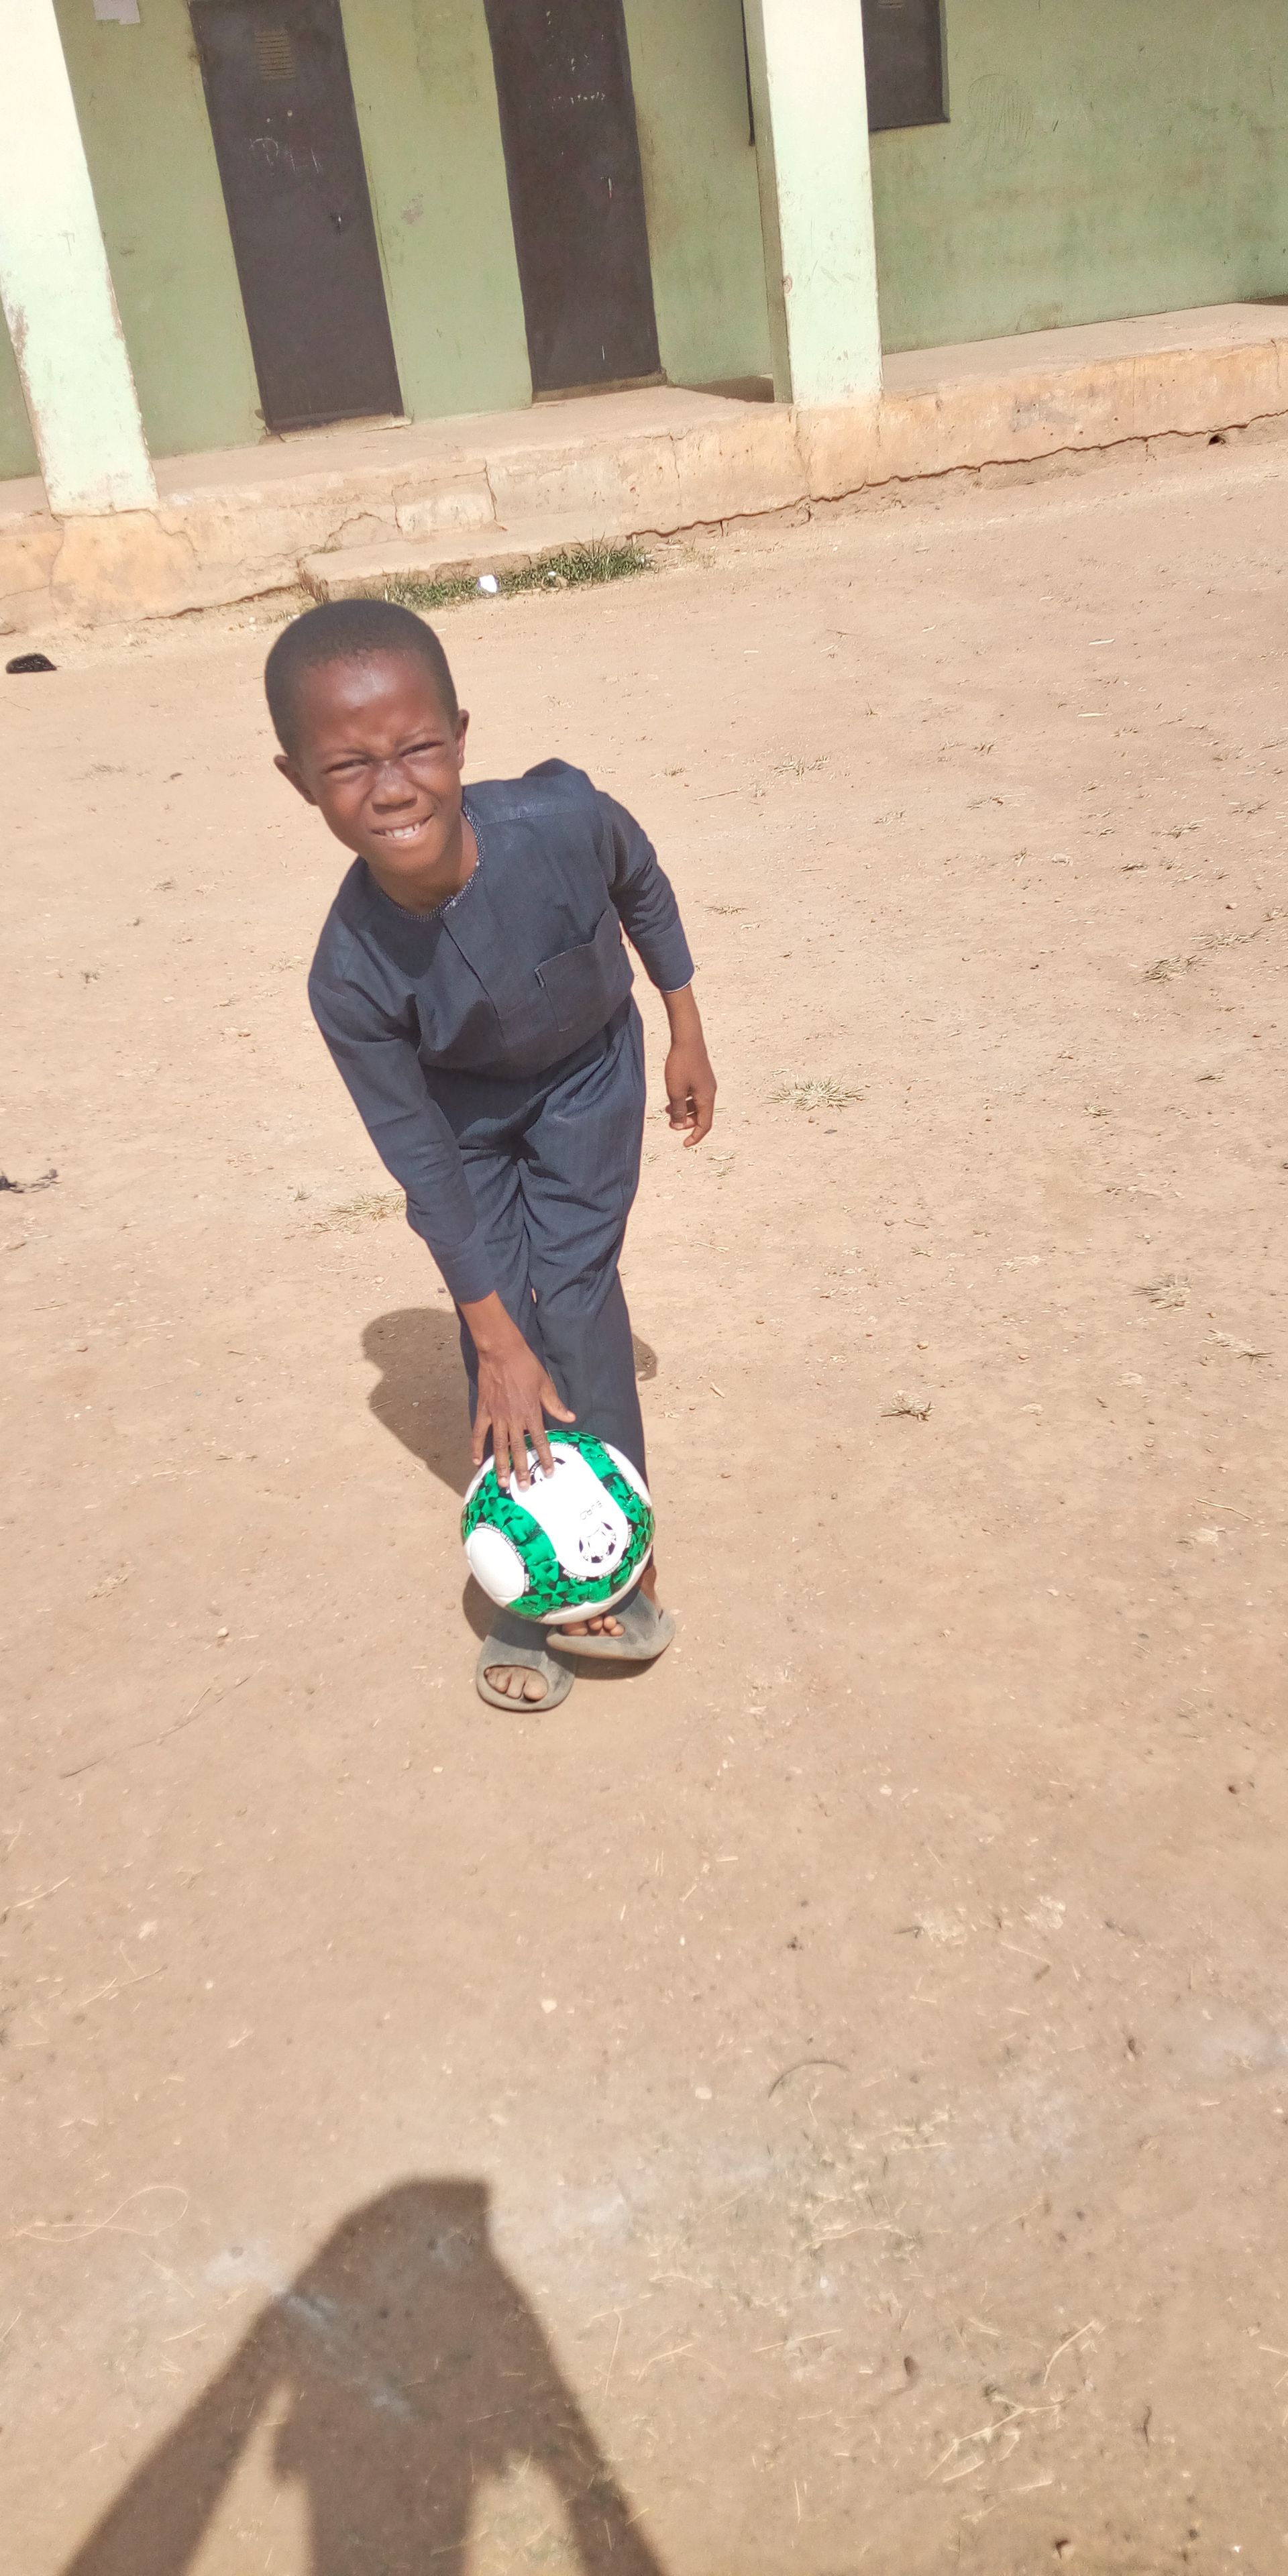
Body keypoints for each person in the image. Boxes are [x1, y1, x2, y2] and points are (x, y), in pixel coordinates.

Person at [264, 599, 715, 1711]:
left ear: (460, 737)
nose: (393, 787)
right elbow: (423, 1166)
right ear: (299, 781)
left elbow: (642, 883)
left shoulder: (561, 821)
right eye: (348, 765)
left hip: (588, 1078)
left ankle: (614, 1556)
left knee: (572, 1293)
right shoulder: (349, 978)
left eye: (417, 747)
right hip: (460, 1117)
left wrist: (685, 1026)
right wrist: (495, 1336)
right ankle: (533, 1558)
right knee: (498, 1324)